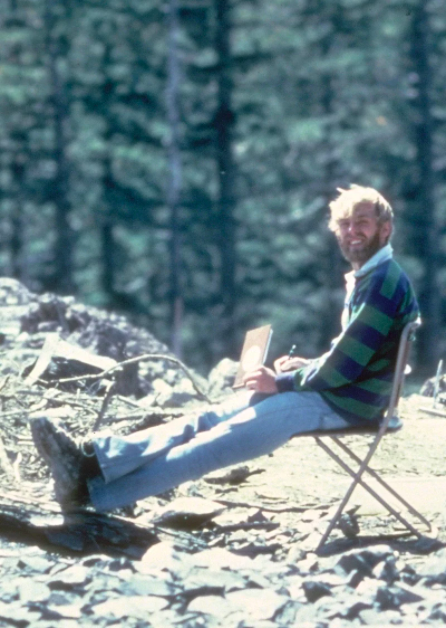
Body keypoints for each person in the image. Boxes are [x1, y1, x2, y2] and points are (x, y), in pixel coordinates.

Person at [31, 185, 419, 512]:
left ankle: (91, 494)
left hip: (347, 402)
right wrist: (303, 366)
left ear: (385, 229)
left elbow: (345, 366)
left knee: (214, 444)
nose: (352, 231)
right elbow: (351, 353)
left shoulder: (383, 282)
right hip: (341, 393)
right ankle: (92, 461)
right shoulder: (374, 275)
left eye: (362, 223)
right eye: (345, 224)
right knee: (206, 420)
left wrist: (282, 382)